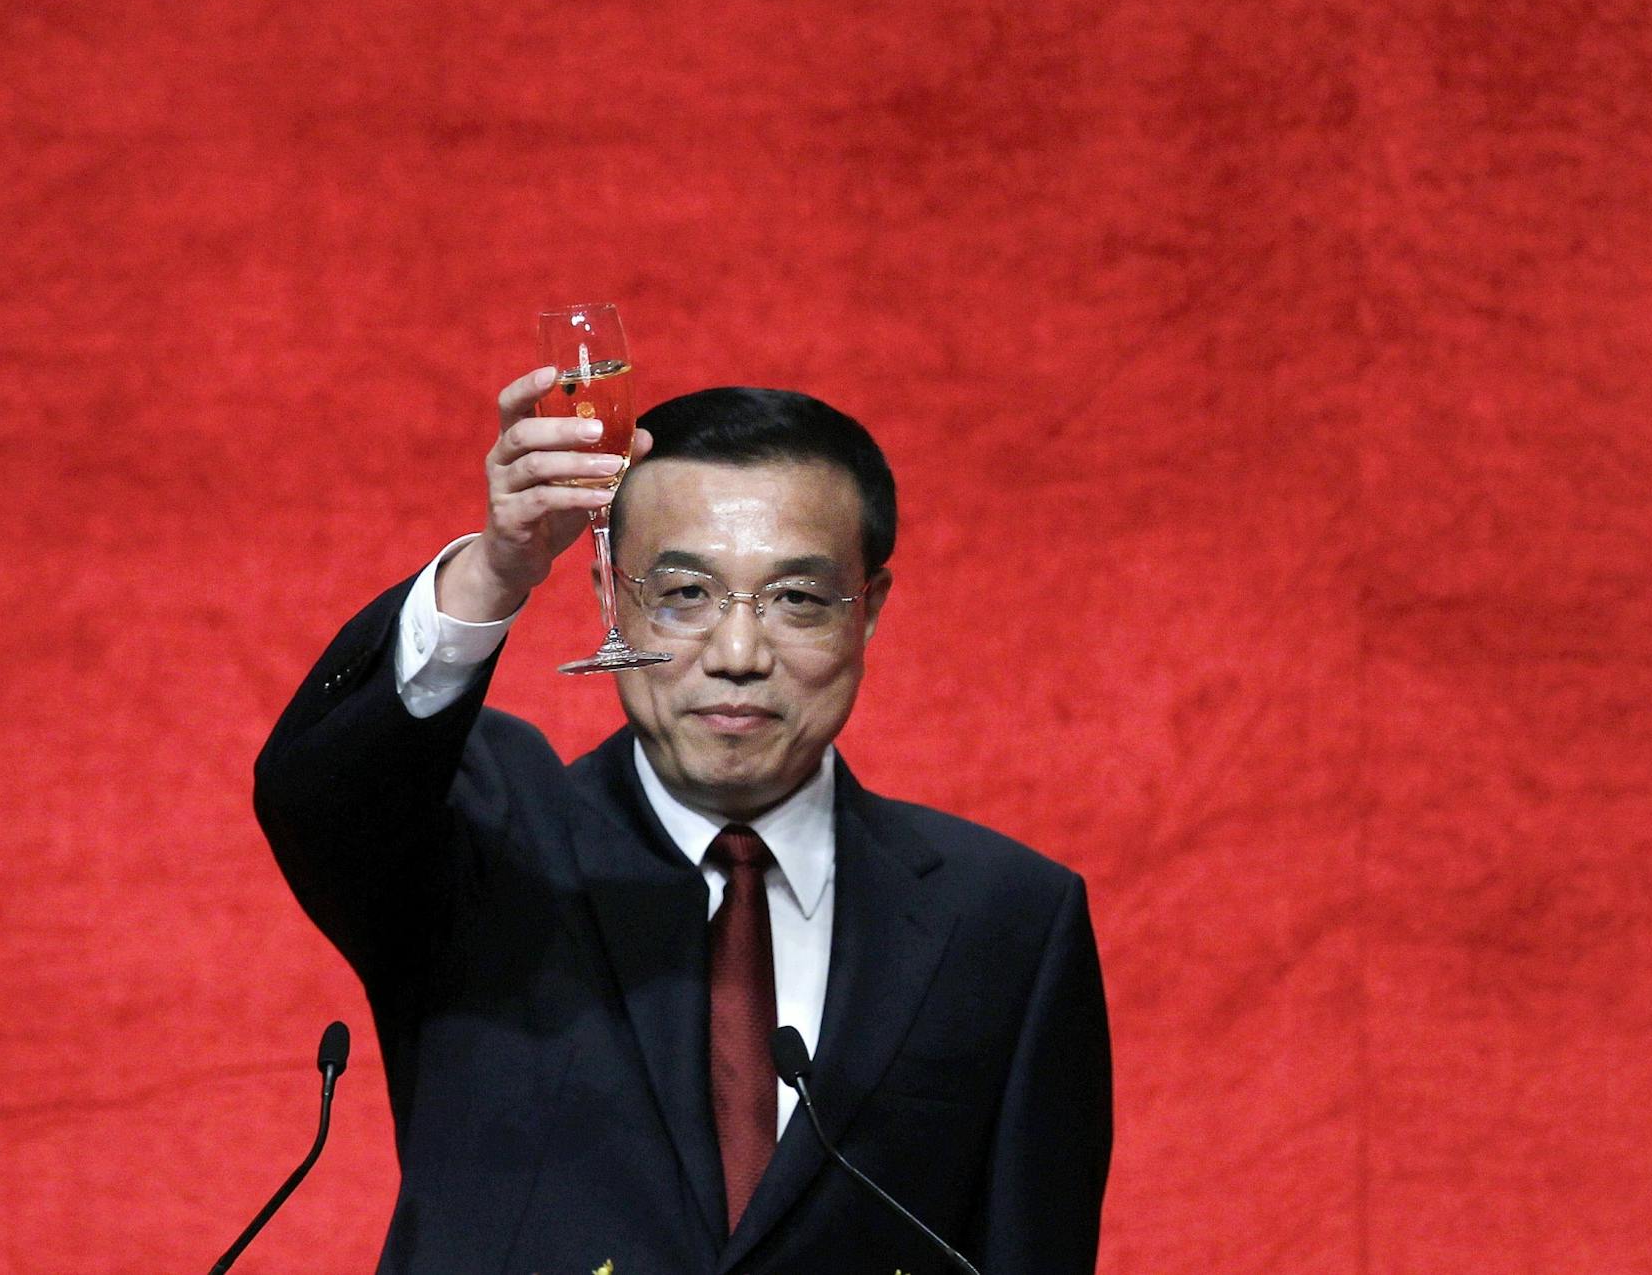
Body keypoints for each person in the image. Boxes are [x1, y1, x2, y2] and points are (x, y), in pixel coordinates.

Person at [255, 369, 1113, 1275]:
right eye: (684, 594)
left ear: (871, 612)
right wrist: (493, 571)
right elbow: (319, 798)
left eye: (798, 601)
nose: (737, 656)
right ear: (606, 593)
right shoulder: (484, 837)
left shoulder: (1008, 919)